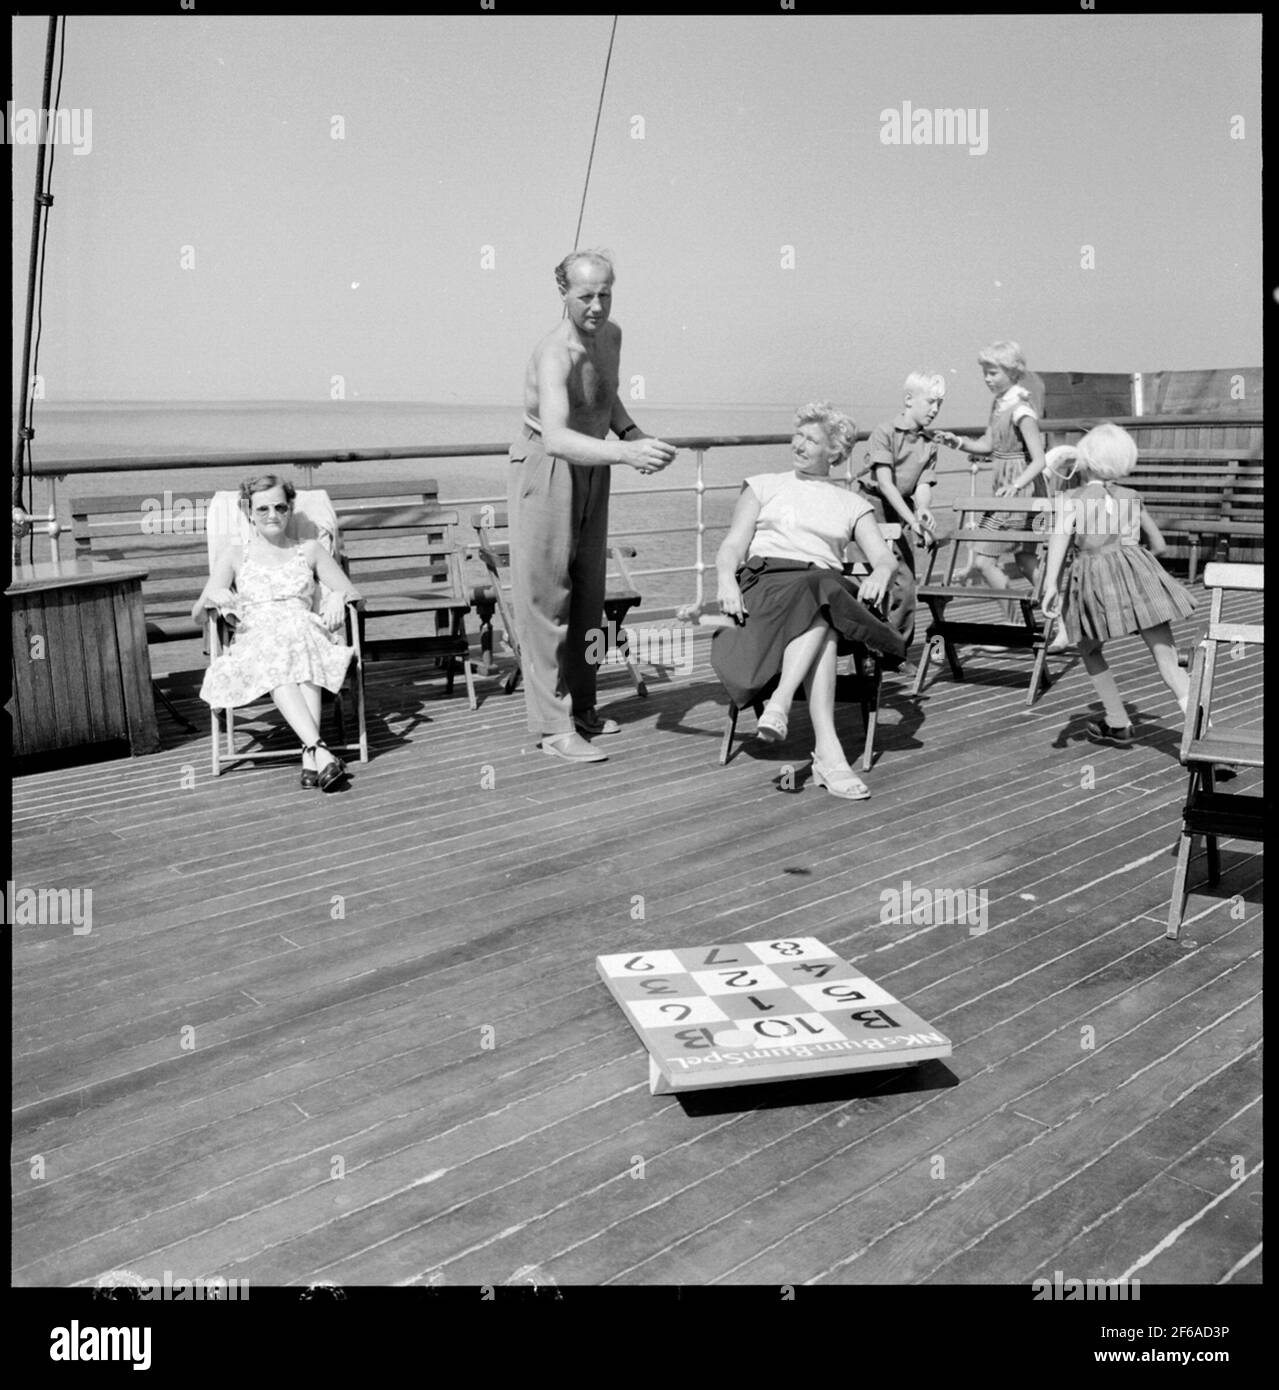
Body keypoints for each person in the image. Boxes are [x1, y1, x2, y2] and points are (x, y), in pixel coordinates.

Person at [510, 248, 677, 764]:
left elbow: (605, 395)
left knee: (588, 598)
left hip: (596, 463)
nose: (597, 306)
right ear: (563, 293)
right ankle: (553, 728)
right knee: (547, 601)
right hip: (549, 466)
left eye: (605, 293)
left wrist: (630, 433)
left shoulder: (612, 336)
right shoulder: (554, 351)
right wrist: (626, 452)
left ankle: (582, 708)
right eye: (585, 296)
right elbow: (557, 437)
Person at [712, 402, 908, 800]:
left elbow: (883, 557)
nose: (799, 444)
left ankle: (786, 710)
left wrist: (883, 573)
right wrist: (725, 582)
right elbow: (733, 544)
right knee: (826, 606)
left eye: (811, 439)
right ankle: (828, 756)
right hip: (766, 587)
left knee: (821, 590)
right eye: (798, 435)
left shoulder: (852, 504)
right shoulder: (763, 484)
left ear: (834, 452)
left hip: (820, 589)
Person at [194, 475, 361, 791]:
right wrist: (214, 596)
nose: (272, 515)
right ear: (248, 512)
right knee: (280, 649)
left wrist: (339, 595)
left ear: (290, 508)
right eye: (262, 509)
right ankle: (318, 751)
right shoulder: (234, 555)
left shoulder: (309, 550)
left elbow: (354, 594)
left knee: (299, 642)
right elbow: (196, 614)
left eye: (280, 507)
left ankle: (314, 756)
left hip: (304, 635)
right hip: (258, 642)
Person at [1040, 424, 1195, 746]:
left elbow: (1059, 537)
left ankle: (1118, 720)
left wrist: (1051, 584)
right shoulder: (1130, 498)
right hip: (1137, 574)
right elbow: (1160, 544)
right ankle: (1204, 732)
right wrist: (1135, 564)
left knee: (1089, 648)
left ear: (1086, 459)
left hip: (1094, 579)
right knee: (1168, 660)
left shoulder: (1074, 498)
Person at [934, 340, 1049, 594]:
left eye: (993, 372)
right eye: (984, 372)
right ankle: (1058, 611)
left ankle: (1014, 621)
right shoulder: (999, 405)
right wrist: (957, 442)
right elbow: (988, 444)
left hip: (1021, 493)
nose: (987, 378)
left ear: (1012, 372)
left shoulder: (1021, 411)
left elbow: (1039, 459)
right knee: (1024, 559)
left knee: (984, 562)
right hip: (1007, 493)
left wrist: (1016, 485)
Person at [854, 370, 948, 648]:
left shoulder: (929, 444)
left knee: (905, 583)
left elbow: (922, 485)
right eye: (930, 402)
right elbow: (885, 484)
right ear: (909, 399)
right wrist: (913, 520)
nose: (935, 410)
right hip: (871, 509)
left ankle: (897, 649)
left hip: (902, 510)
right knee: (870, 577)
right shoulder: (885, 432)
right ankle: (867, 649)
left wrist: (922, 510)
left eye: (939, 404)